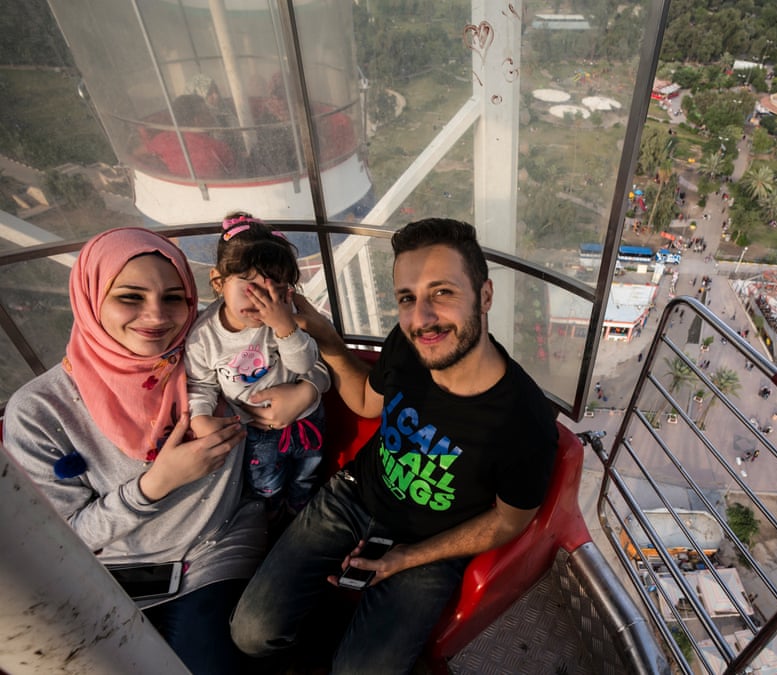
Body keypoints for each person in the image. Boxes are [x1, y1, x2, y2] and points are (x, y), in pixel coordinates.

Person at [231, 218, 559, 673]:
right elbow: (367, 402)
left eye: (442, 293)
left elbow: (508, 521)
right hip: (354, 495)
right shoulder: (409, 347)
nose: (421, 319)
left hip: (432, 542)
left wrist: (408, 557)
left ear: (484, 296)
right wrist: (325, 337)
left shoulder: (524, 423)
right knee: (251, 634)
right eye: (408, 299)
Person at [2, 227, 322, 674]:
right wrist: (156, 484)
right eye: (130, 297)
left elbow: (302, 355)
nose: (155, 316)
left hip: (214, 548)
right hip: (109, 572)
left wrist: (308, 392)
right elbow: (63, 537)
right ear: (91, 297)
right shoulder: (40, 411)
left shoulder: (212, 363)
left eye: (174, 298)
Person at [186, 212, 330, 518]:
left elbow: (307, 364)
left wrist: (284, 327)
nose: (261, 298)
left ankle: (299, 511)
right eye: (249, 285)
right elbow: (201, 384)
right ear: (218, 281)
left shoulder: (283, 316)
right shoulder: (203, 337)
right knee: (266, 484)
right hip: (255, 428)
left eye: (273, 287)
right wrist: (199, 417)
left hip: (306, 417)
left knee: (307, 473)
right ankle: (274, 516)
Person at [148, 94, 236, 179]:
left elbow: (139, 155)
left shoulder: (161, 140)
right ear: (197, 121)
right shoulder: (218, 148)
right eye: (207, 113)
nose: (211, 116)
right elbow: (236, 177)